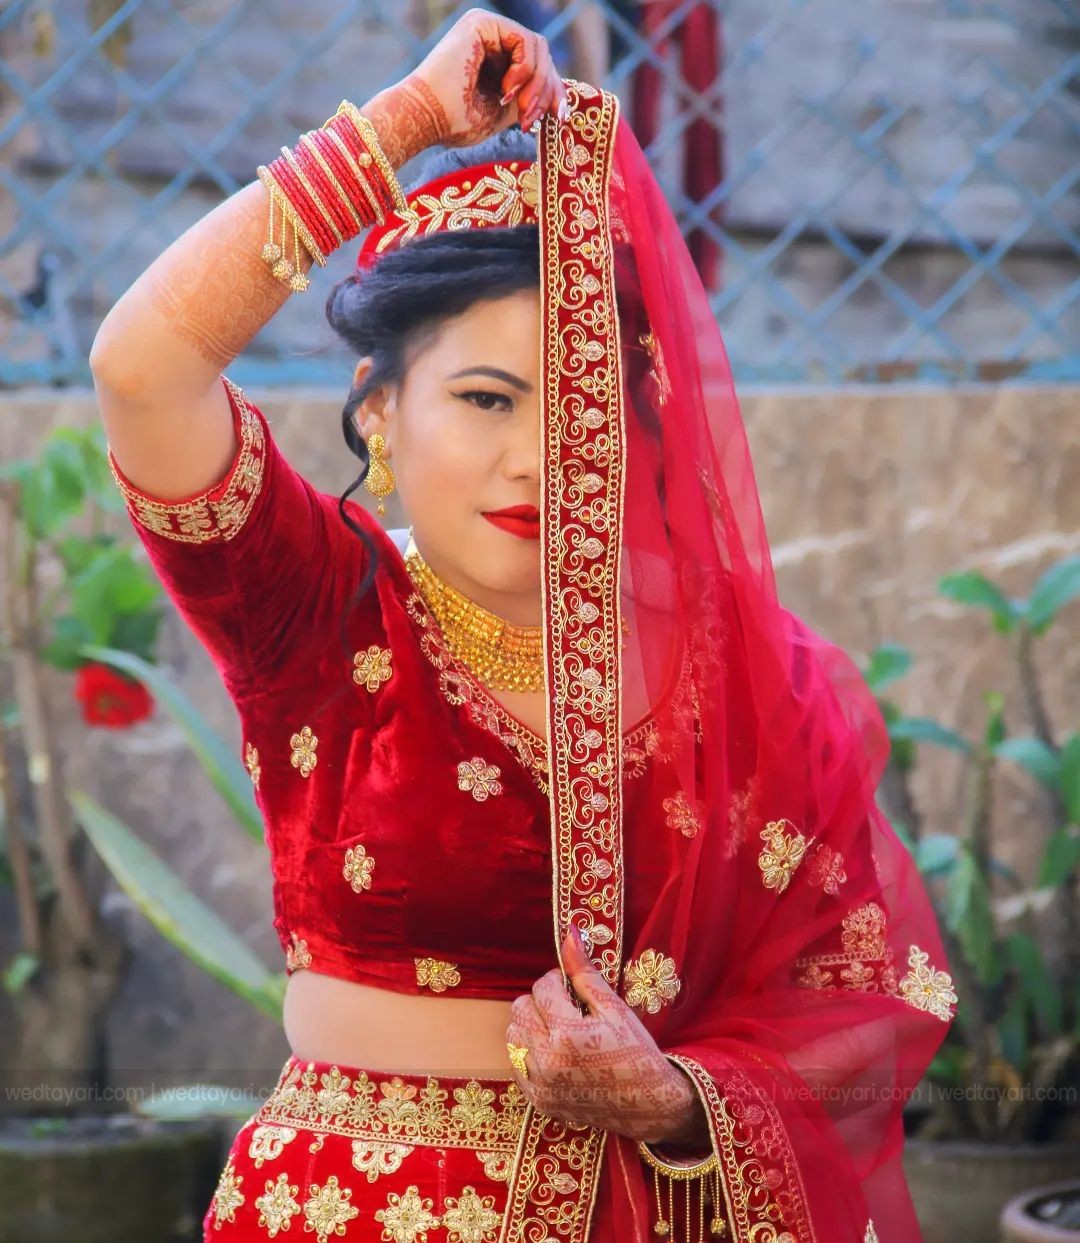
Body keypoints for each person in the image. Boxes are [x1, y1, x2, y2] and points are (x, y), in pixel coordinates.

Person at [89, 11, 957, 1242]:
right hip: (359, 1208)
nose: (539, 458)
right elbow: (141, 371)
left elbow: (861, 992)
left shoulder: (757, 677)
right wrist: (405, 122)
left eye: (588, 407)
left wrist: (680, 1100)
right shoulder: (317, 609)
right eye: (487, 398)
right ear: (378, 409)